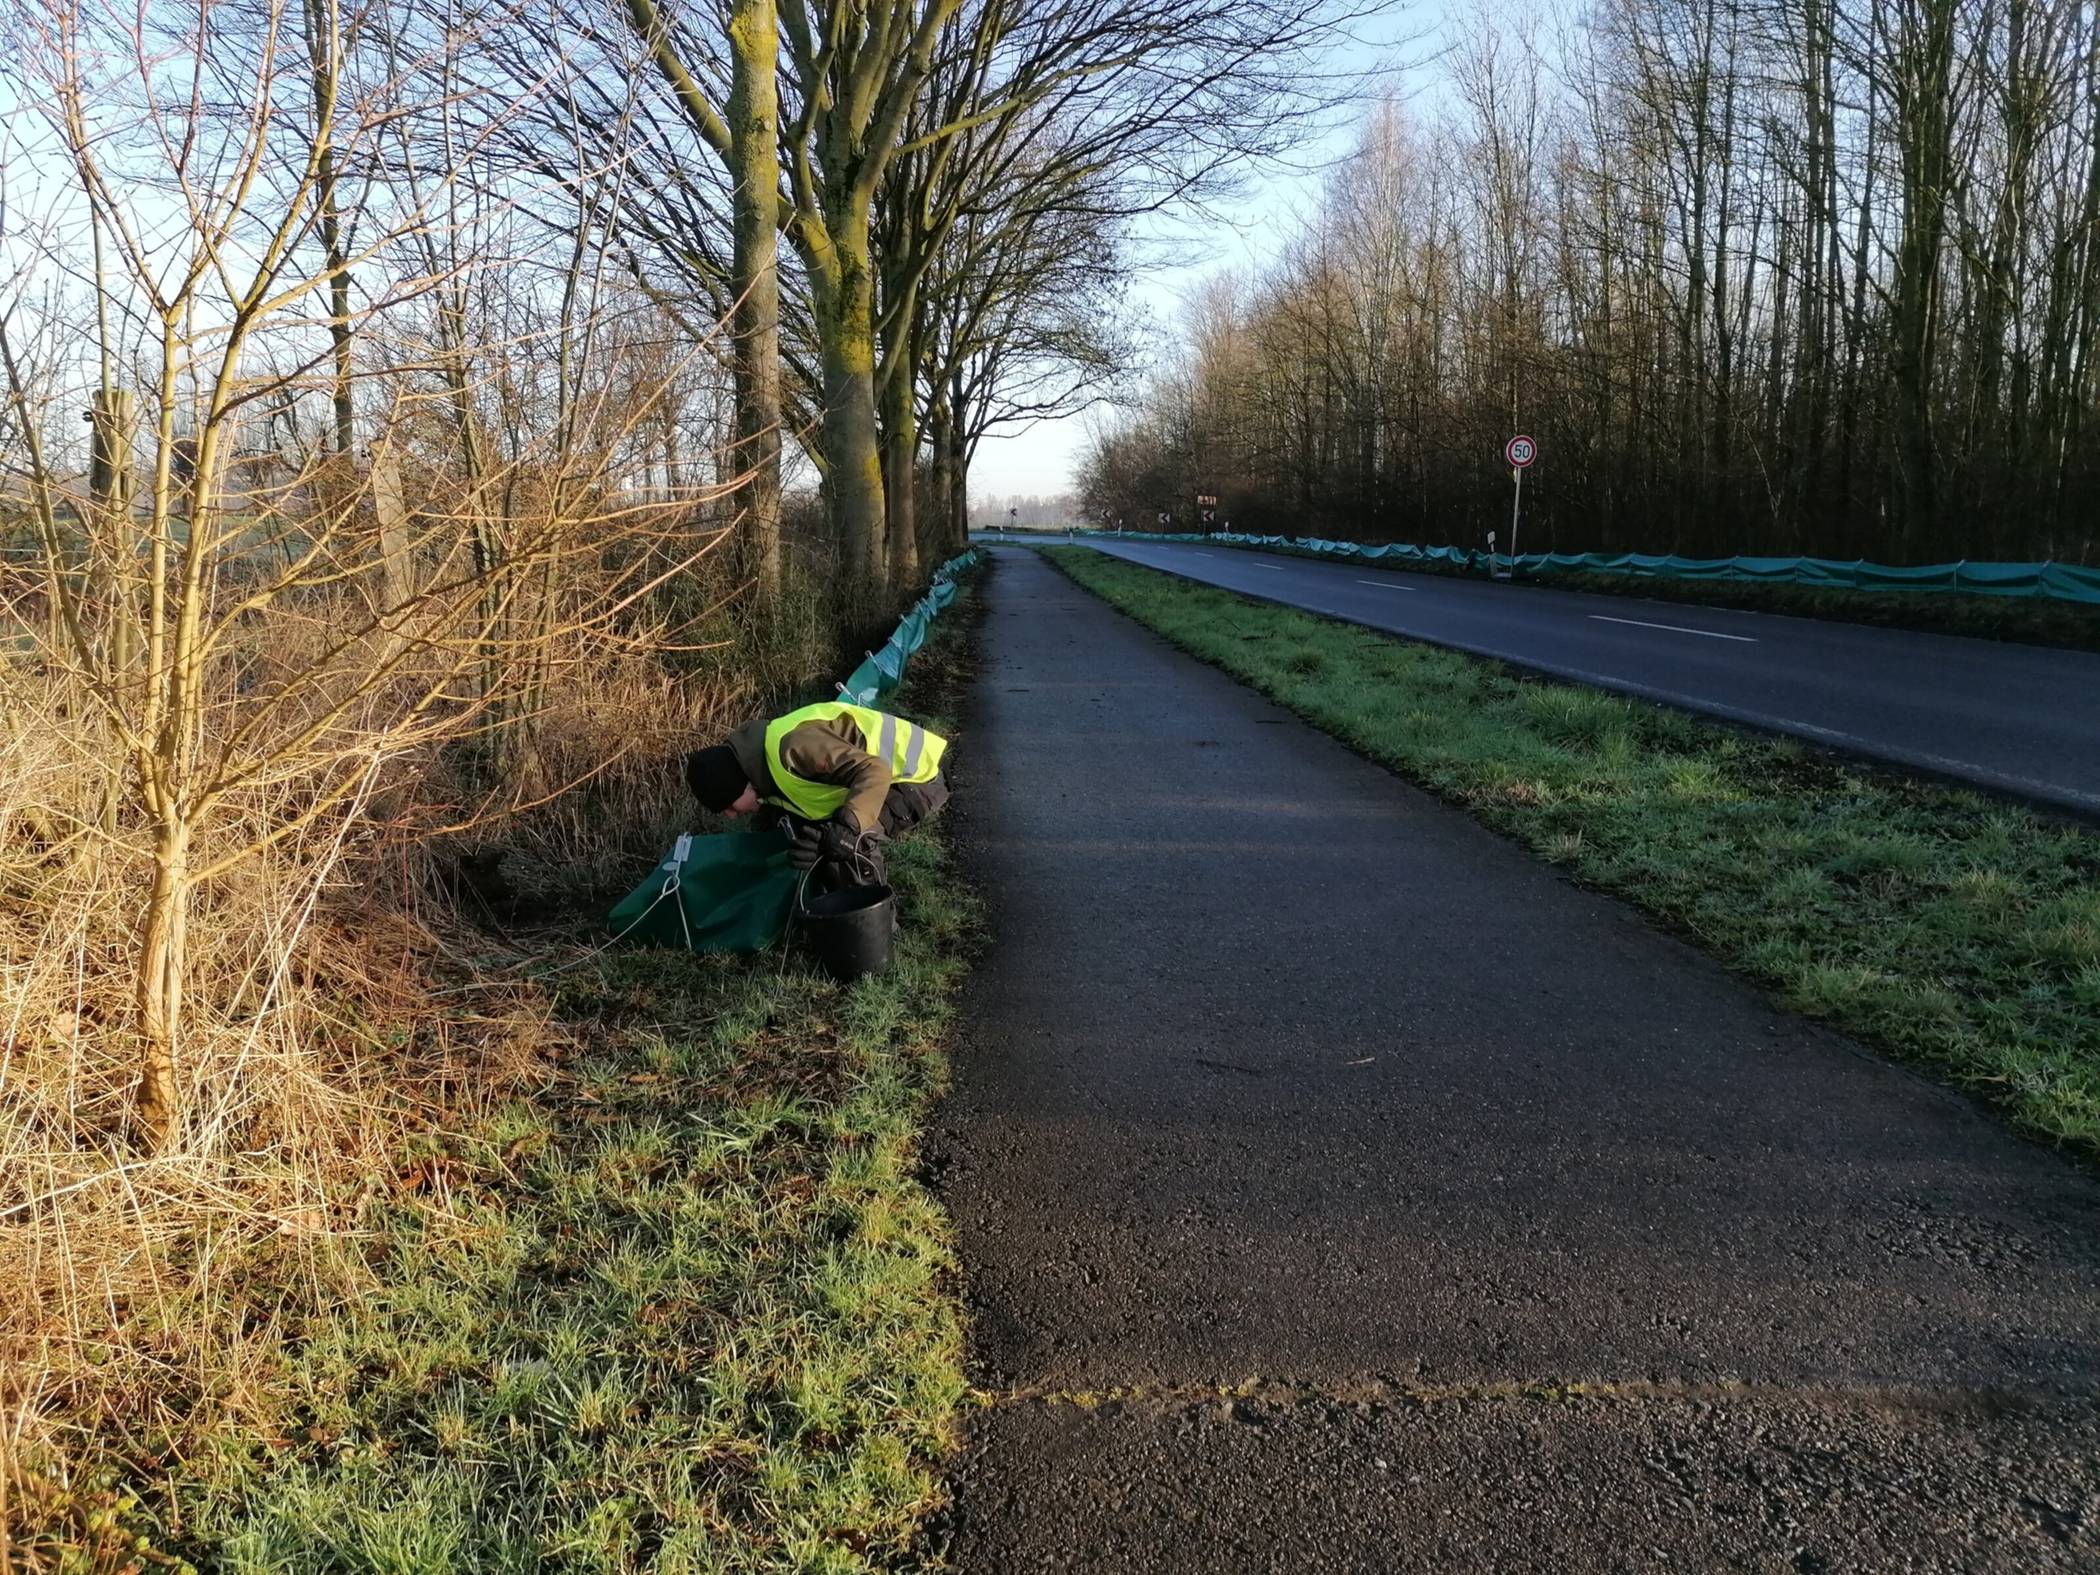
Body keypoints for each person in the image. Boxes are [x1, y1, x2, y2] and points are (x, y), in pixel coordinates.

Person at [684, 700, 951, 887]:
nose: (731, 816)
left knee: (844, 841)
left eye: (729, 805)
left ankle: (873, 935)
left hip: (915, 778)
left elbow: (875, 771)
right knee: (813, 833)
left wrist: (845, 829)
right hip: (879, 780)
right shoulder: (761, 770)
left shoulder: (795, 748)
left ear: (740, 784)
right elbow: (780, 819)